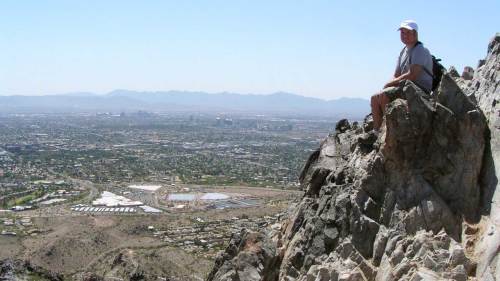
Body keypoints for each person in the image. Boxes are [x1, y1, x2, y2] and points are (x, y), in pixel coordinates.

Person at [370, 20, 433, 131]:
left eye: (408, 32)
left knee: (385, 96)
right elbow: (396, 75)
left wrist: (390, 84)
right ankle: (377, 131)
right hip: (404, 87)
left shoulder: (420, 50)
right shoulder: (403, 51)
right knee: (375, 98)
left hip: (418, 89)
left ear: (415, 34)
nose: (404, 35)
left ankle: (388, 130)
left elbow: (413, 75)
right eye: (402, 33)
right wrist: (387, 86)